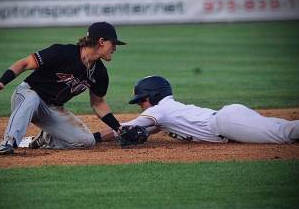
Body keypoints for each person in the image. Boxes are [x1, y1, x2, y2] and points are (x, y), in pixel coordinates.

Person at [0, 22, 126, 154]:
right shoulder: (62, 52)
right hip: (26, 95)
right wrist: (3, 81)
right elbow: (25, 63)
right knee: (33, 97)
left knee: (87, 141)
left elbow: (98, 103)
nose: (115, 48)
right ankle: (9, 142)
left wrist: (118, 128)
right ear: (101, 41)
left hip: (52, 108)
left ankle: (45, 138)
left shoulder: (100, 73)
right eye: (113, 43)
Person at [98, 75, 299, 144]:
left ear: (154, 95)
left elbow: (124, 128)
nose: (141, 105)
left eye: (142, 100)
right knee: (282, 127)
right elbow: (144, 130)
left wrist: (94, 138)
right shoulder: (166, 112)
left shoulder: (160, 110)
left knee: (282, 134)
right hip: (229, 119)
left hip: (226, 123)